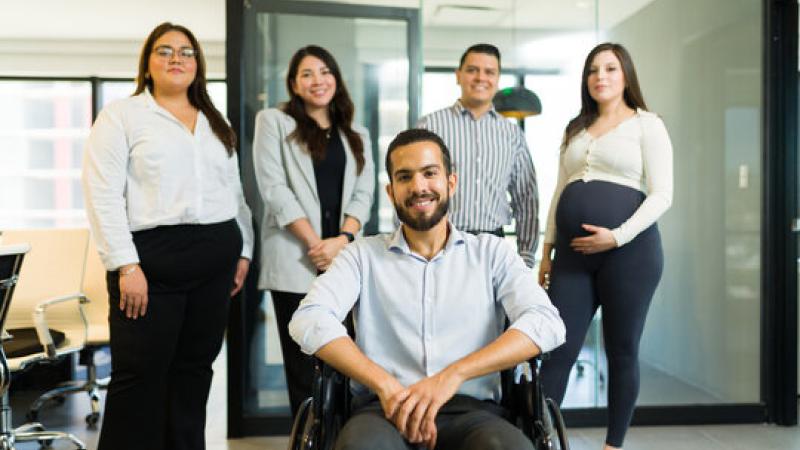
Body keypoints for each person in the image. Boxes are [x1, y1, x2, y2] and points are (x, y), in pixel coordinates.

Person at [289, 128, 566, 450]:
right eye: (405, 177)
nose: (419, 187)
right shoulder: (362, 256)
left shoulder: (492, 253)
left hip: (473, 411)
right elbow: (308, 319)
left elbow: (547, 323)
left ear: (451, 182)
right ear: (391, 192)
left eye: (429, 173)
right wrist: (384, 384)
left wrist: (453, 375)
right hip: (382, 410)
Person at [81, 22, 254, 450]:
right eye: (165, 51)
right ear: (148, 63)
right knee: (138, 379)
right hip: (149, 263)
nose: (177, 59)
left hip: (216, 259)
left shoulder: (216, 120)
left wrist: (244, 250)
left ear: (198, 63)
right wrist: (126, 264)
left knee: (194, 373)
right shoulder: (122, 116)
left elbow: (234, 194)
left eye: (186, 52)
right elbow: (102, 195)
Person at [537, 42, 673, 450]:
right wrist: (547, 250)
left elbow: (663, 195)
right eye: (594, 70)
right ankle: (537, 438)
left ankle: (613, 445)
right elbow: (559, 191)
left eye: (611, 68)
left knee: (622, 350)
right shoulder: (575, 129)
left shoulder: (648, 125)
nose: (601, 76)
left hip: (630, 255)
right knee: (556, 347)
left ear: (625, 75)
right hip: (573, 259)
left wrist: (616, 236)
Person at [252, 45, 374, 417]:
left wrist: (343, 240)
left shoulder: (356, 132)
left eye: (325, 71)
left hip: (343, 259)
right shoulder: (273, 121)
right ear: (293, 83)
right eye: (307, 74)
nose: (317, 80)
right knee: (303, 363)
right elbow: (273, 189)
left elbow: (364, 192)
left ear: (336, 78)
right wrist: (315, 244)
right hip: (295, 257)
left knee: (346, 357)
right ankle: (308, 437)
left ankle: (343, 436)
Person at [416, 43, 539, 267]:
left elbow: (526, 198)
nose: (481, 77)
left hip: (495, 246)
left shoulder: (512, 134)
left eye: (489, 72)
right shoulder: (430, 126)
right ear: (458, 75)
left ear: (498, 78)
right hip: (438, 245)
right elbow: (412, 189)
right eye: (472, 70)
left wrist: (526, 256)